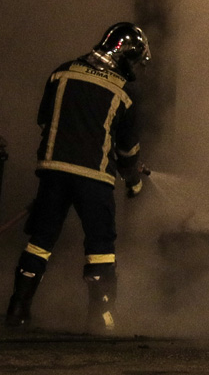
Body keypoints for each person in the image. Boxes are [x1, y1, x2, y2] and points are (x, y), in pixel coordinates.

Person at [4, 22, 151, 333]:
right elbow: (127, 150)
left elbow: (44, 120)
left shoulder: (62, 72)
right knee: (100, 246)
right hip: (94, 177)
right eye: (136, 60)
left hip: (53, 171)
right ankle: (101, 319)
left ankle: (17, 310)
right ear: (126, 55)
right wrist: (134, 181)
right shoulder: (124, 92)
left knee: (40, 241)